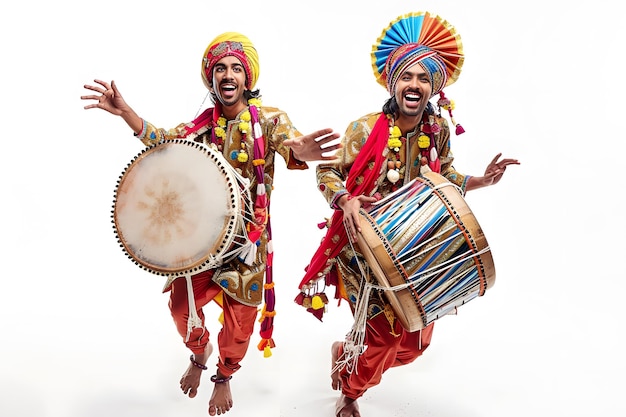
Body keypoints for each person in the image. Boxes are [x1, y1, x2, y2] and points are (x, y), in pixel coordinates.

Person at [82, 32, 340, 416]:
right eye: (220, 68)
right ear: (212, 79)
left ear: (247, 78)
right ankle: (199, 351)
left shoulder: (269, 121)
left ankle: (223, 376)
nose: (228, 74)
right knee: (181, 309)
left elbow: (291, 143)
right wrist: (128, 113)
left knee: (239, 328)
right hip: (200, 243)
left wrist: (299, 149)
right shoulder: (203, 126)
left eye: (236, 67)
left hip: (247, 245)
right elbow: (163, 143)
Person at [294, 12, 520, 417]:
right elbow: (327, 170)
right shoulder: (365, 129)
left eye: (423, 78)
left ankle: (351, 353)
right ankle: (349, 391)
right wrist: (345, 200)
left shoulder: (438, 130)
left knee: (415, 346)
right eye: (406, 76)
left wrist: (484, 181)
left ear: (434, 87)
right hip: (365, 247)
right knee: (381, 342)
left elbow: (444, 177)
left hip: (416, 250)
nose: (414, 85)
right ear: (392, 81)